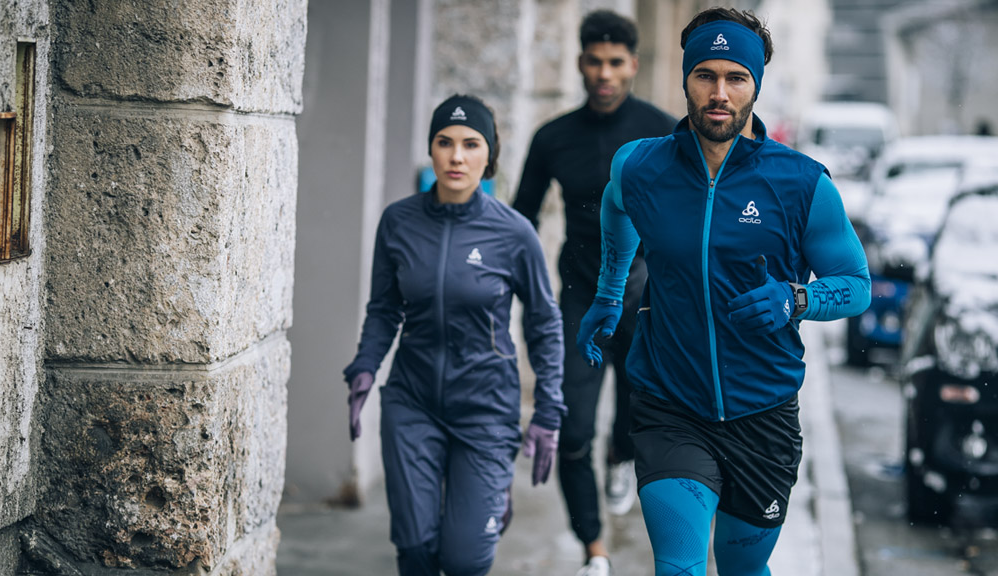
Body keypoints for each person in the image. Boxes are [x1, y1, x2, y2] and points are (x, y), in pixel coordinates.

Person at [575, 8, 871, 576]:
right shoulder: (642, 167)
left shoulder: (803, 183)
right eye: (704, 75)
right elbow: (617, 211)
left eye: (735, 77)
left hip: (763, 413)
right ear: (684, 80)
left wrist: (796, 299)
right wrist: (610, 295)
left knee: (742, 570)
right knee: (680, 567)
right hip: (669, 403)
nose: (719, 92)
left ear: (755, 84)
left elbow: (857, 287)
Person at [344, 94, 566, 576]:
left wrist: (549, 408)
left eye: (471, 144)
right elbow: (384, 308)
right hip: (413, 400)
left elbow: (544, 322)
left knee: (465, 560)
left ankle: (486, 500)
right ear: (431, 149)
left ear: (490, 156)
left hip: (486, 408)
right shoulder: (398, 221)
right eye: (444, 142)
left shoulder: (514, 233)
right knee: (417, 549)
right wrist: (365, 366)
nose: (456, 156)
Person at [511, 10, 675, 575]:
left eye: (615, 63)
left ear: (632, 65)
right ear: (580, 63)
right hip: (579, 302)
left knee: (635, 421)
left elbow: (688, 218)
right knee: (571, 429)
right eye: (594, 61)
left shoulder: (660, 131)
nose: (604, 73)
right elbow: (521, 221)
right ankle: (593, 549)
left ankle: (621, 457)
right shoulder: (553, 137)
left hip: (647, 302)